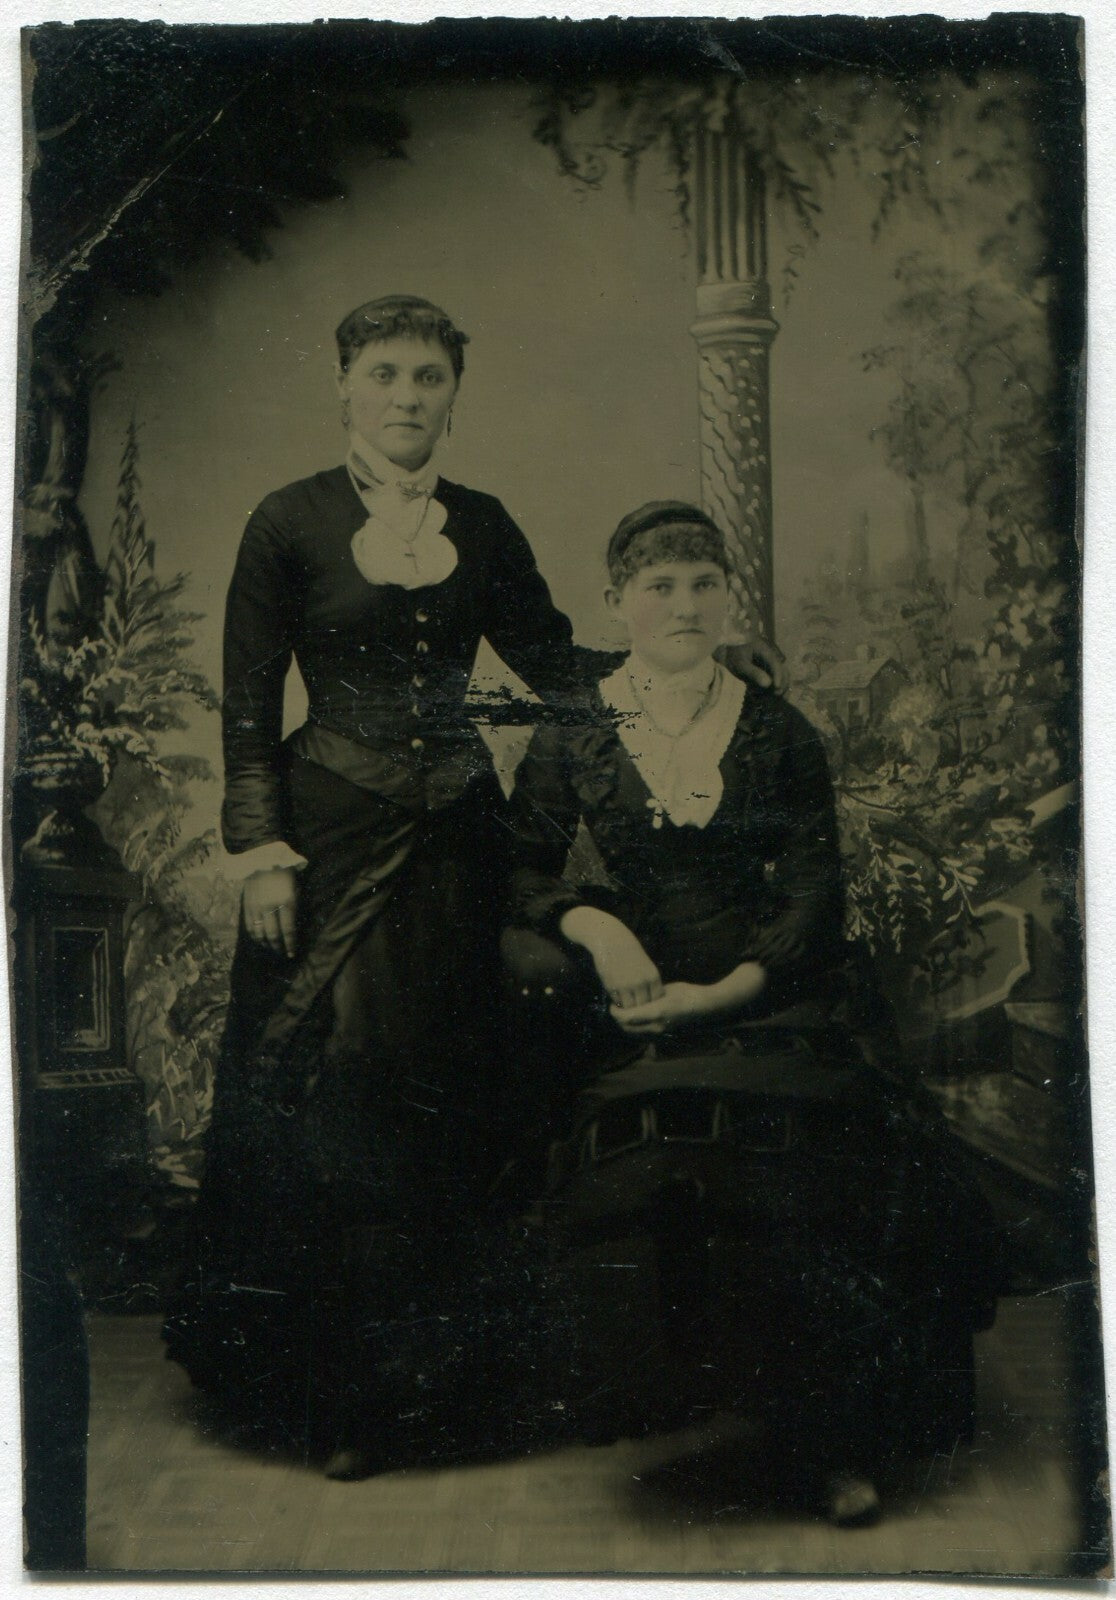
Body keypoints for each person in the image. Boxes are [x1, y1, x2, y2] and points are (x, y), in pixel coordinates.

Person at [162, 298, 783, 1480]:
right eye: (386, 375)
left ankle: (464, 1390)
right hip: (329, 840)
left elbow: (555, 661)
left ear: (454, 392)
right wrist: (260, 851)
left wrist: (680, 655)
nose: (408, 397)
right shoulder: (285, 521)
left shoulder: (485, 528)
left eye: (430, 378)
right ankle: (336, 1394)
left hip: (456, 843)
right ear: (345, 386)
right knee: (342, 1075)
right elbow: (247, 704)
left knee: (465, 1067)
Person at [501, 500, 999, 1524]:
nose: (684, 605)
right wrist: (597, 929)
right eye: (659, 586)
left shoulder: (776, 728)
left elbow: (814, 891)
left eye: (703, 584)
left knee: (807, 1153)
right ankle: (669, 1397)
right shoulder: (575, 729)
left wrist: (727, 987)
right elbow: (516, 866)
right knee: (643, 1152)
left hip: (772, 991)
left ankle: (830, 1439)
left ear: (729, 596)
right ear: (618, 602)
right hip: (636, 997)